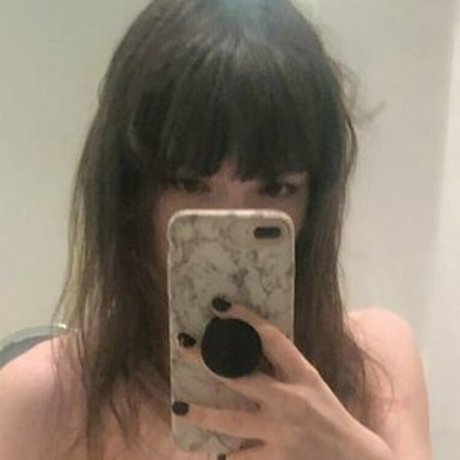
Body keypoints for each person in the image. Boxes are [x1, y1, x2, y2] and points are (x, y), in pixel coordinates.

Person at [0, 0, 431, 459]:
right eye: (190, 184)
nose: (231, 222)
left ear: (314, 202)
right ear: (131, 197)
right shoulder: (40, 400)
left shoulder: (375, 364)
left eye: (275, 188)